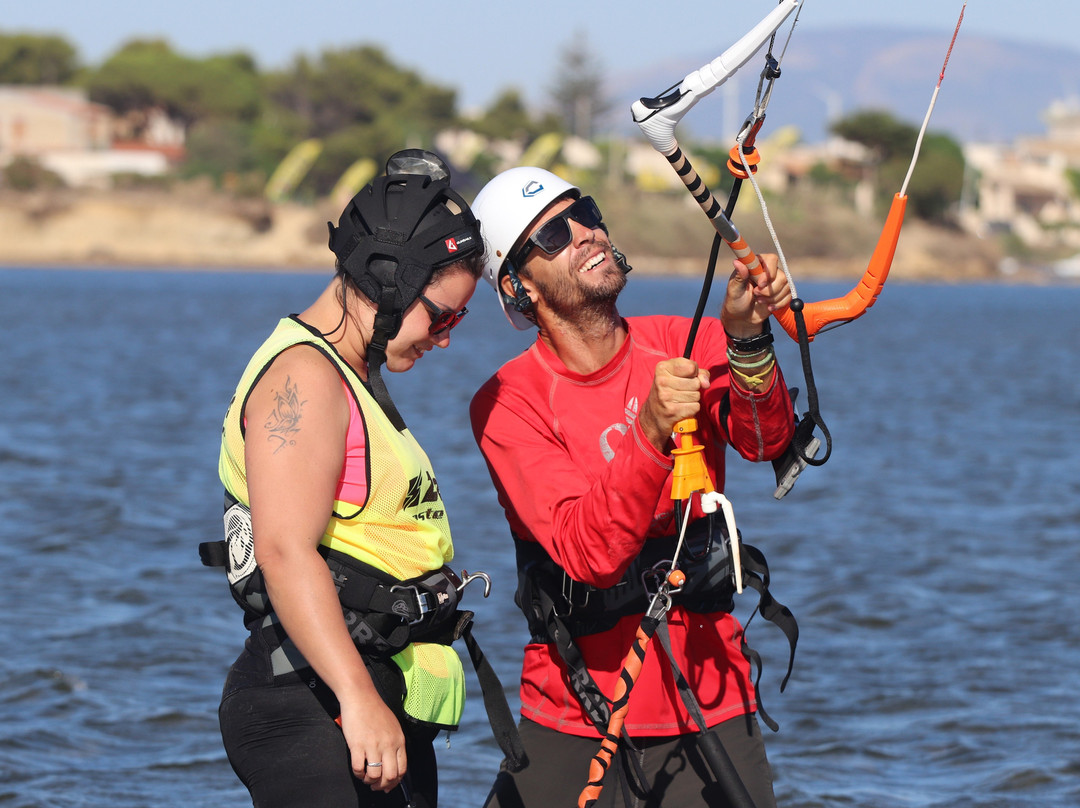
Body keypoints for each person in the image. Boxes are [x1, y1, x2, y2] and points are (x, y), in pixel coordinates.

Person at [468, 166, 798, 807]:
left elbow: (766, 442)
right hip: (572, 712)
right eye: (554, 235)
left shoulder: (689, 340)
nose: (586, 233)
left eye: (585, 212)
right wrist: (649, 429)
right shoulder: (507, 402)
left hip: (709, 697)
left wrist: (749, 340)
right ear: (518, 286)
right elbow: (590, 554)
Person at [201, 150, 491, 808]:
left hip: (368, 692)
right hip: (310, 700)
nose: (445, 340)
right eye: (440, 317)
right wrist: (357, 698)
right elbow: (283, 548)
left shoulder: (353, 376)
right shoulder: (303, 377)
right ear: (387, 281)